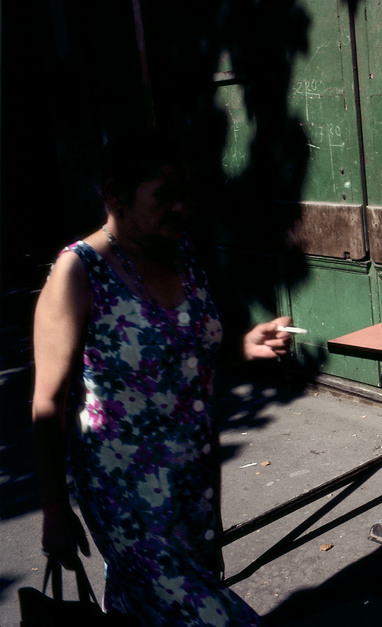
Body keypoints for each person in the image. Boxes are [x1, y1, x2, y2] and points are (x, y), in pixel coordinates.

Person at [31, 129, 291, 625]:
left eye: (184, 195)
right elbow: (48, 401)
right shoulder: (78, 273)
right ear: (115, 196)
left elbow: (183, 357)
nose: (180, 208)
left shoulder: (183, 256)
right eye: (164, 195)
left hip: (193, 482)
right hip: (125, 495)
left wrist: (242, 345)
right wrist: (54, 510)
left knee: (149, 612)